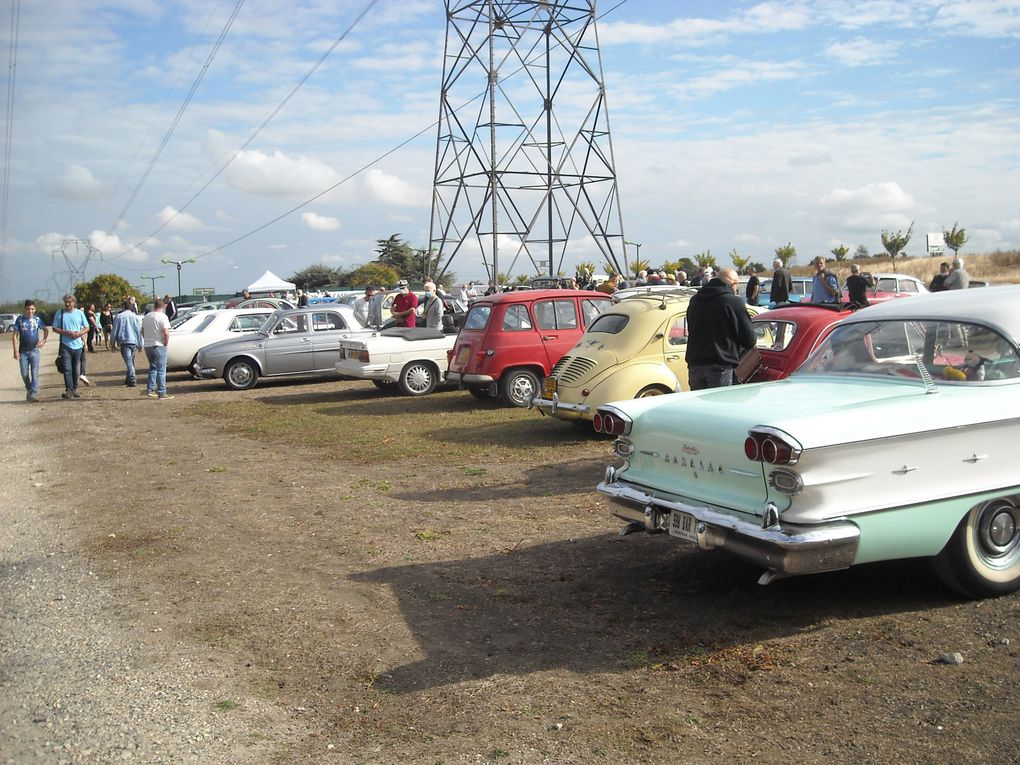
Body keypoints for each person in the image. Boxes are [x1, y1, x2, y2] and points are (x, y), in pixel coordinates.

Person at [684, 267, 756, 390]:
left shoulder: (695, 300)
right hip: (721, 364)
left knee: (699, 408)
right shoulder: (733, 302)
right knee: (720, 406)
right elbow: (749, 340)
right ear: (733, 284)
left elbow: (692, 328)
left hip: (695, 364)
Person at [51, 294, 89, 398]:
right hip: (65, 345)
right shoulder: (60, 313)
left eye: (69, 302)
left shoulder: (79, 313)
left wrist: (79, 334)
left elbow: (87, 327)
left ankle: (75, 388)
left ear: (74, 302)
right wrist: (65, 332)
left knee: (76, 369)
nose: (67, 304)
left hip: (78, 346)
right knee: (67, 369)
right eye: (66, 302)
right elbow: (54, 328)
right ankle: (69, 390)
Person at [12, 299, 48, 402]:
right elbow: (15, 336)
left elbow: (46, 330)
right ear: (25, 309)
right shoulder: (20, 320)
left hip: (34, 350)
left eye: (32, 309)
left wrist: (43, 341)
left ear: (35, 309)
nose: (30, 311)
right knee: (24, 373)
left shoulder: (37, 320)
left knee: (34, 372)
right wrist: (15, 351)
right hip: (23, 351)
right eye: (28, 309)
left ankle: (33, 393)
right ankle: (29, 388)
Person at [141, 298, 173, 399]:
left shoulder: (147, 316)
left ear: (154, 306)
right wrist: (166, 342)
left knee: (153, 367)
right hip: (159, 344)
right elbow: (166, 332)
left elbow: (142, 330)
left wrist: (146, 339)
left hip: (148, 345)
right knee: (161, 369)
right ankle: (162, 392)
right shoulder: (163, 317)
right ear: (163, 307)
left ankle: (150, 389)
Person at [112, 299, 143, 387]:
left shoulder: (119, 317)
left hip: (124, 341)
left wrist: (113, 342)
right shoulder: (135, 317)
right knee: (131, 360)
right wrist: (141, 343)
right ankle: (128, 379)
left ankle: (132, 378)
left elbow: (115, 330)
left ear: (123, 307)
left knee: (128, 361)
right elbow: (139, 331)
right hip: (134, 341)